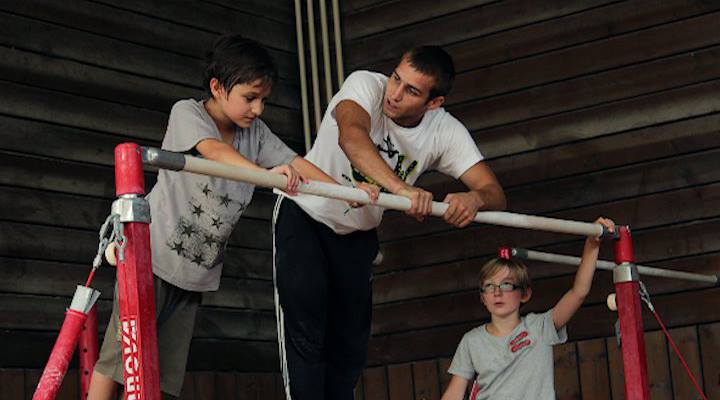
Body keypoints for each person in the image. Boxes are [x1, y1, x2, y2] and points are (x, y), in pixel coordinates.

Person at [87, 33, 334, 399]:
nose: (258, 109)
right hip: (150, 256)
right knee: (120, 357)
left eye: (264, 100)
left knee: (162, 372)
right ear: (218, 87)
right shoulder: (188, 112)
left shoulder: (257, 135)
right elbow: (213, 151)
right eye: (250, 98)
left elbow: (298, 163)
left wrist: (351, 194)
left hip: (194, 273)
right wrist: (269, 174)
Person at [273, 45, 507, 399]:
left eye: (411, 90)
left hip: (358, 234)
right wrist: (403, 190)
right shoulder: (365, 84)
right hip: (305, 214)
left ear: (434, 103)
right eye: (397, 78)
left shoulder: (444, 131)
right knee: (306, 334)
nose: (394, 94)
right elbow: (351, 137)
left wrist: (473, 199)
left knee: (350, 346)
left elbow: (494, 192)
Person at [440, 217, 616, 400]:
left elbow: (578, 292)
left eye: (507, 285)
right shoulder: (471, 341)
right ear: (483, 297)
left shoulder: (540, 327)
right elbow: (454, 393)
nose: (497, 292)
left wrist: (592, 243)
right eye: (490, 286)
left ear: (525, 294)